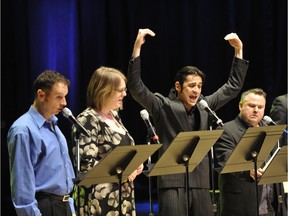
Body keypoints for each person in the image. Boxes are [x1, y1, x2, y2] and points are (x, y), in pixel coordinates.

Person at [127, 28, 249, 216]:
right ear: (178, 86)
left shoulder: (204, 105)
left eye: (199, 86)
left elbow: (232, 87)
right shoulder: (163, 105)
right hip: (171, 183)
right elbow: (136, 88)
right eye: (192, 85)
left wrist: (238, 52)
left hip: (200, 182)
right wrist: (137, 48)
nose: (196, 90)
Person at [71, 66, 144, 215]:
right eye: (120, 90)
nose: (125, 94)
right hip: (100, 200)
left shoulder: (115, 116)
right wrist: (122, 172)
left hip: (123, 196)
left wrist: (135, 163)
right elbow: (85, 165)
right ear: (104, 90)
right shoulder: (87, 119)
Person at [7, 70, 76, 216]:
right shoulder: (23, 129)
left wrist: (70, 206)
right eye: (59, 97)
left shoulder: (54, 124)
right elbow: (22, 187)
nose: (64, 103)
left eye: (65, 97)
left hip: (64, 206)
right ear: (41, 95)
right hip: (45, 207)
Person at [214, 88, 276, 216]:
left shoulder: (270, 130)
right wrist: (248, 170)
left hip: (269, 205)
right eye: (252, 106)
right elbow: (225, 160)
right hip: (241, 205)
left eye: (260, 107)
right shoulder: (226, 130)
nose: (256, 110)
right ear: (240, 105)